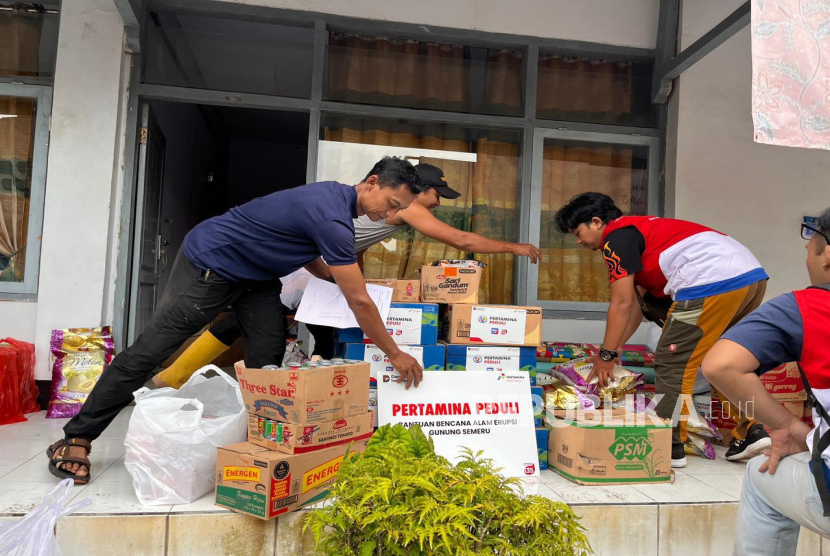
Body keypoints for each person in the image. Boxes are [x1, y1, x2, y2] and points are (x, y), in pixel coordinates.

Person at [46, 157, 427, 484]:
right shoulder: (332, 214)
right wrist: (393, 352)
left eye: (399, 212)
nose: (390, 216)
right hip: (214, 262)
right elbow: (358, 299)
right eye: (391, 204)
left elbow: (303, 241)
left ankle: (264, 446)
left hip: (257, 276)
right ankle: (77, 436)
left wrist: (328, 275)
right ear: (372, 182)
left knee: (267, 357)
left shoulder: (334, 200)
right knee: (152, 349)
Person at [153, 163, 541, 388]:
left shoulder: (387, 208)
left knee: (298, 331)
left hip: (320, 267)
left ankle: (306, 390)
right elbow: (460, 238)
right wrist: (515, 248)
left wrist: (354, 277)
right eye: (438, 194)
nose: (439, 202)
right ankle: (175, 376)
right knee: (250, 323)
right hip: (303, 266)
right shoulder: (406, 208)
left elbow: (353, 247)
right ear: (415, 191)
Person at [554, 193, 770, 468]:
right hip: (749, 279)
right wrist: (617, 346)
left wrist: (605, 355)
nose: (580, 241)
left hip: (710, 282)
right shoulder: (644, 232)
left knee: (672, 361)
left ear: (596, 222)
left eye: (578, 232)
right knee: (720, 362)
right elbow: (634, 306)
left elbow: (620, 303)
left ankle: (669, 444)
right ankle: (752, 430)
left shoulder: (616, 238)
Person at [702, 209, 830, 556]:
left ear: (828, 252)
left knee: (764, 477)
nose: (807, 252)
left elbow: (720, 365)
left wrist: (787, 425)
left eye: (810, 241)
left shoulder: (807, 308)